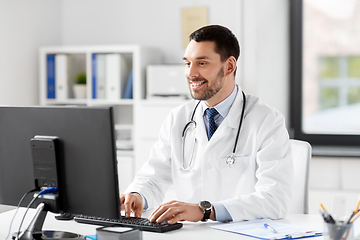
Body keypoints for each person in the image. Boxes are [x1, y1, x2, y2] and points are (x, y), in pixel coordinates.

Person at [120, 25, 293, 224]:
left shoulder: (266, 120)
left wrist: (206, 211)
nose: (191, 73)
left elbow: (275, 199)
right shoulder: (179, 118)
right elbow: (153, 176)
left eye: (201, 63)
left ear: (229, 66)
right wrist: (137, 194)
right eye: (187, 63)